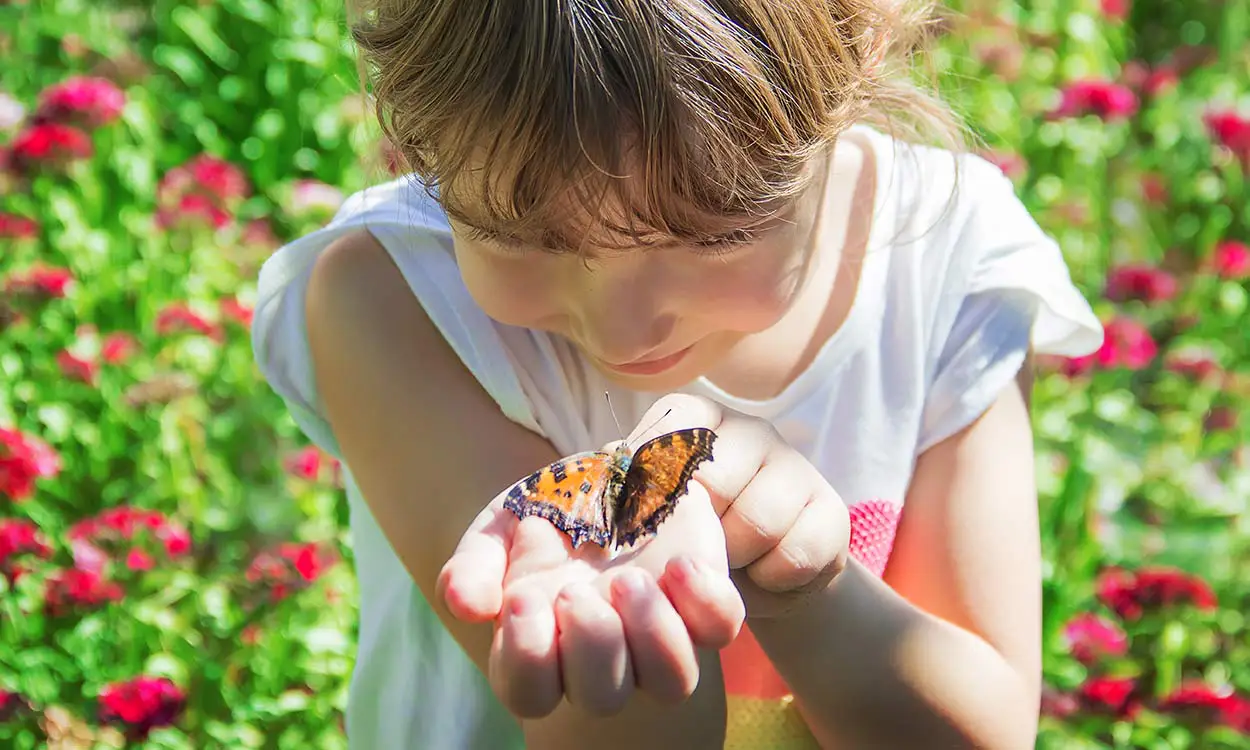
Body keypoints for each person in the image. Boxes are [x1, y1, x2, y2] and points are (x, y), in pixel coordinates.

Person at [251, 0, 1104, 747]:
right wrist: (625, 617)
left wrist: (807, 590)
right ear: (416, 137)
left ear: (867, 35)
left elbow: (986, 733)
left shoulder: (946, 269)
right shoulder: (390, 298)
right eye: (528, 240)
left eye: (716, 232)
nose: (624, 334)